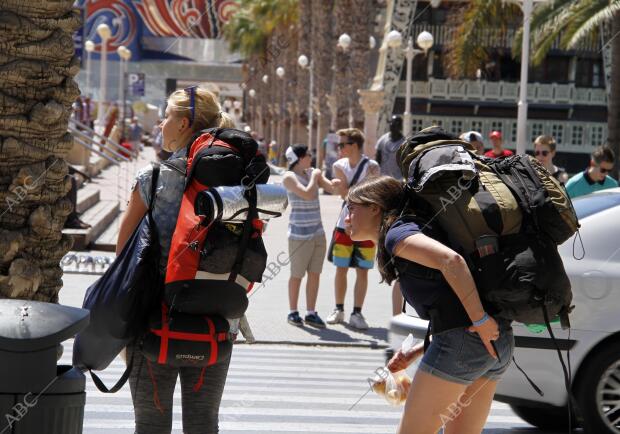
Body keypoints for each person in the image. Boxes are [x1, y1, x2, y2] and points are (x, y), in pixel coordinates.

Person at [346, 176, 512, 434]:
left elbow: (452, 262)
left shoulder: (397, 235)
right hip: (496, 341)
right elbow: (451, 305)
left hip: (469, 342)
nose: (346, 216)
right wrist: (416, 352)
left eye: (352, 207)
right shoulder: (415, 228)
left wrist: (478, 320)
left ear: (374, 207)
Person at [117, 87, 236, 434]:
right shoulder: (236, 184)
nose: (161, 123)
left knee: (151, 423)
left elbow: (123, 251)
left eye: (166, 116)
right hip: (216, 322)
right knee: (202, 423)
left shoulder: (153, 178)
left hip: (153, 321)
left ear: (183, 123)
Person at [326, 128, 380, 330]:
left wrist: (349, 189)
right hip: (344, 225)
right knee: (341, 268)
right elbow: (345, 196)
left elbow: (371, 193)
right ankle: (338, 309)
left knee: (362, 270)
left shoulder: (372, 166)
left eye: (342, 144)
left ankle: (357, 312)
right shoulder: (338, 165)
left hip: (366, 227)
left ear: (354, 145)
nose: (338, 148)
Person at [282, 145, 341, 328]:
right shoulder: (288, 177)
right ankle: (293, 312)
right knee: (297, 274)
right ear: (299, 158)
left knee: (315, 274)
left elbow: (332, 189)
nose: (311, 157)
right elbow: (307, 194)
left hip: (318, 232)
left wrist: (336, 183)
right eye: (308, 154)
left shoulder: (311, 173)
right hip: (299, 234)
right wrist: (316, 177)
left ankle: (311, 312)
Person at [375, 115, 406, 180]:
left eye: (395, 124)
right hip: (382, 178)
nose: (392, 125)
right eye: (391, 122)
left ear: (400, 127)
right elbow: (377, 159)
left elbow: (405, 163)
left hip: (398, 179)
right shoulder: (382, 140)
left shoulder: (404, 143)